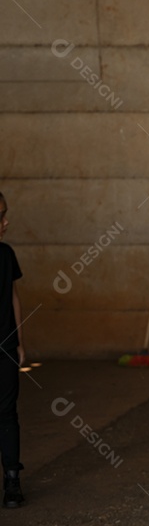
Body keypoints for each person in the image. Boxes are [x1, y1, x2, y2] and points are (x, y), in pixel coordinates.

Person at [0, 192, 25, 508]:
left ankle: (12, 481)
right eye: (0, 215)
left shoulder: (6, 255)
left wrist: (19, 342)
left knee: (6, 414)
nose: (6, 222)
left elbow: (14, 298)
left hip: (4, 347)